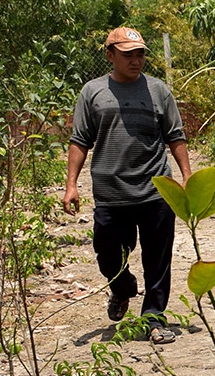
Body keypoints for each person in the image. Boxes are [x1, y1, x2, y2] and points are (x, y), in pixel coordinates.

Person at [63, 27, 192, 343]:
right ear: (110, 56)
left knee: (157, 259)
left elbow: (175, 135)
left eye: (140, 54)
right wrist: (71, 185)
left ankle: (154, 319)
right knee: (107, 254)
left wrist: (188, 176)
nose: (136, 61)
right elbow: (80, 140)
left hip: (156, 189)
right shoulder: (93, 92)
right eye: (128, 55)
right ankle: (121, 288)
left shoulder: (158, 91)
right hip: (111, 192)